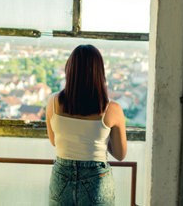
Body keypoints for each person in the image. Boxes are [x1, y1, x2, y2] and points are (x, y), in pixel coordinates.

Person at [46, 44, 127, 206]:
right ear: (99, 72)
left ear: (69, 69)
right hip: (96, 180)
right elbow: (120, 154)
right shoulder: (112, 109)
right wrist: (102, 136)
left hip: (61, 178)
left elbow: (55, 141)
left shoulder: (53, 103)